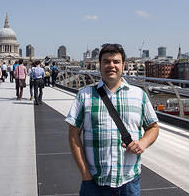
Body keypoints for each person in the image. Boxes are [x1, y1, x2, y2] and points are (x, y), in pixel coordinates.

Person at [65, 43, 159, 196]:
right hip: (95, 181)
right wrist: (85, 175)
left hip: (129, 180)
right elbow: (73, 135)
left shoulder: (139, 95)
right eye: (106, 61)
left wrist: (143, 143)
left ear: (123, 65)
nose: (111, 65)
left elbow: (153, 127)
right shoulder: (84, 95)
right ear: (99, 65)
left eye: (116, 62)